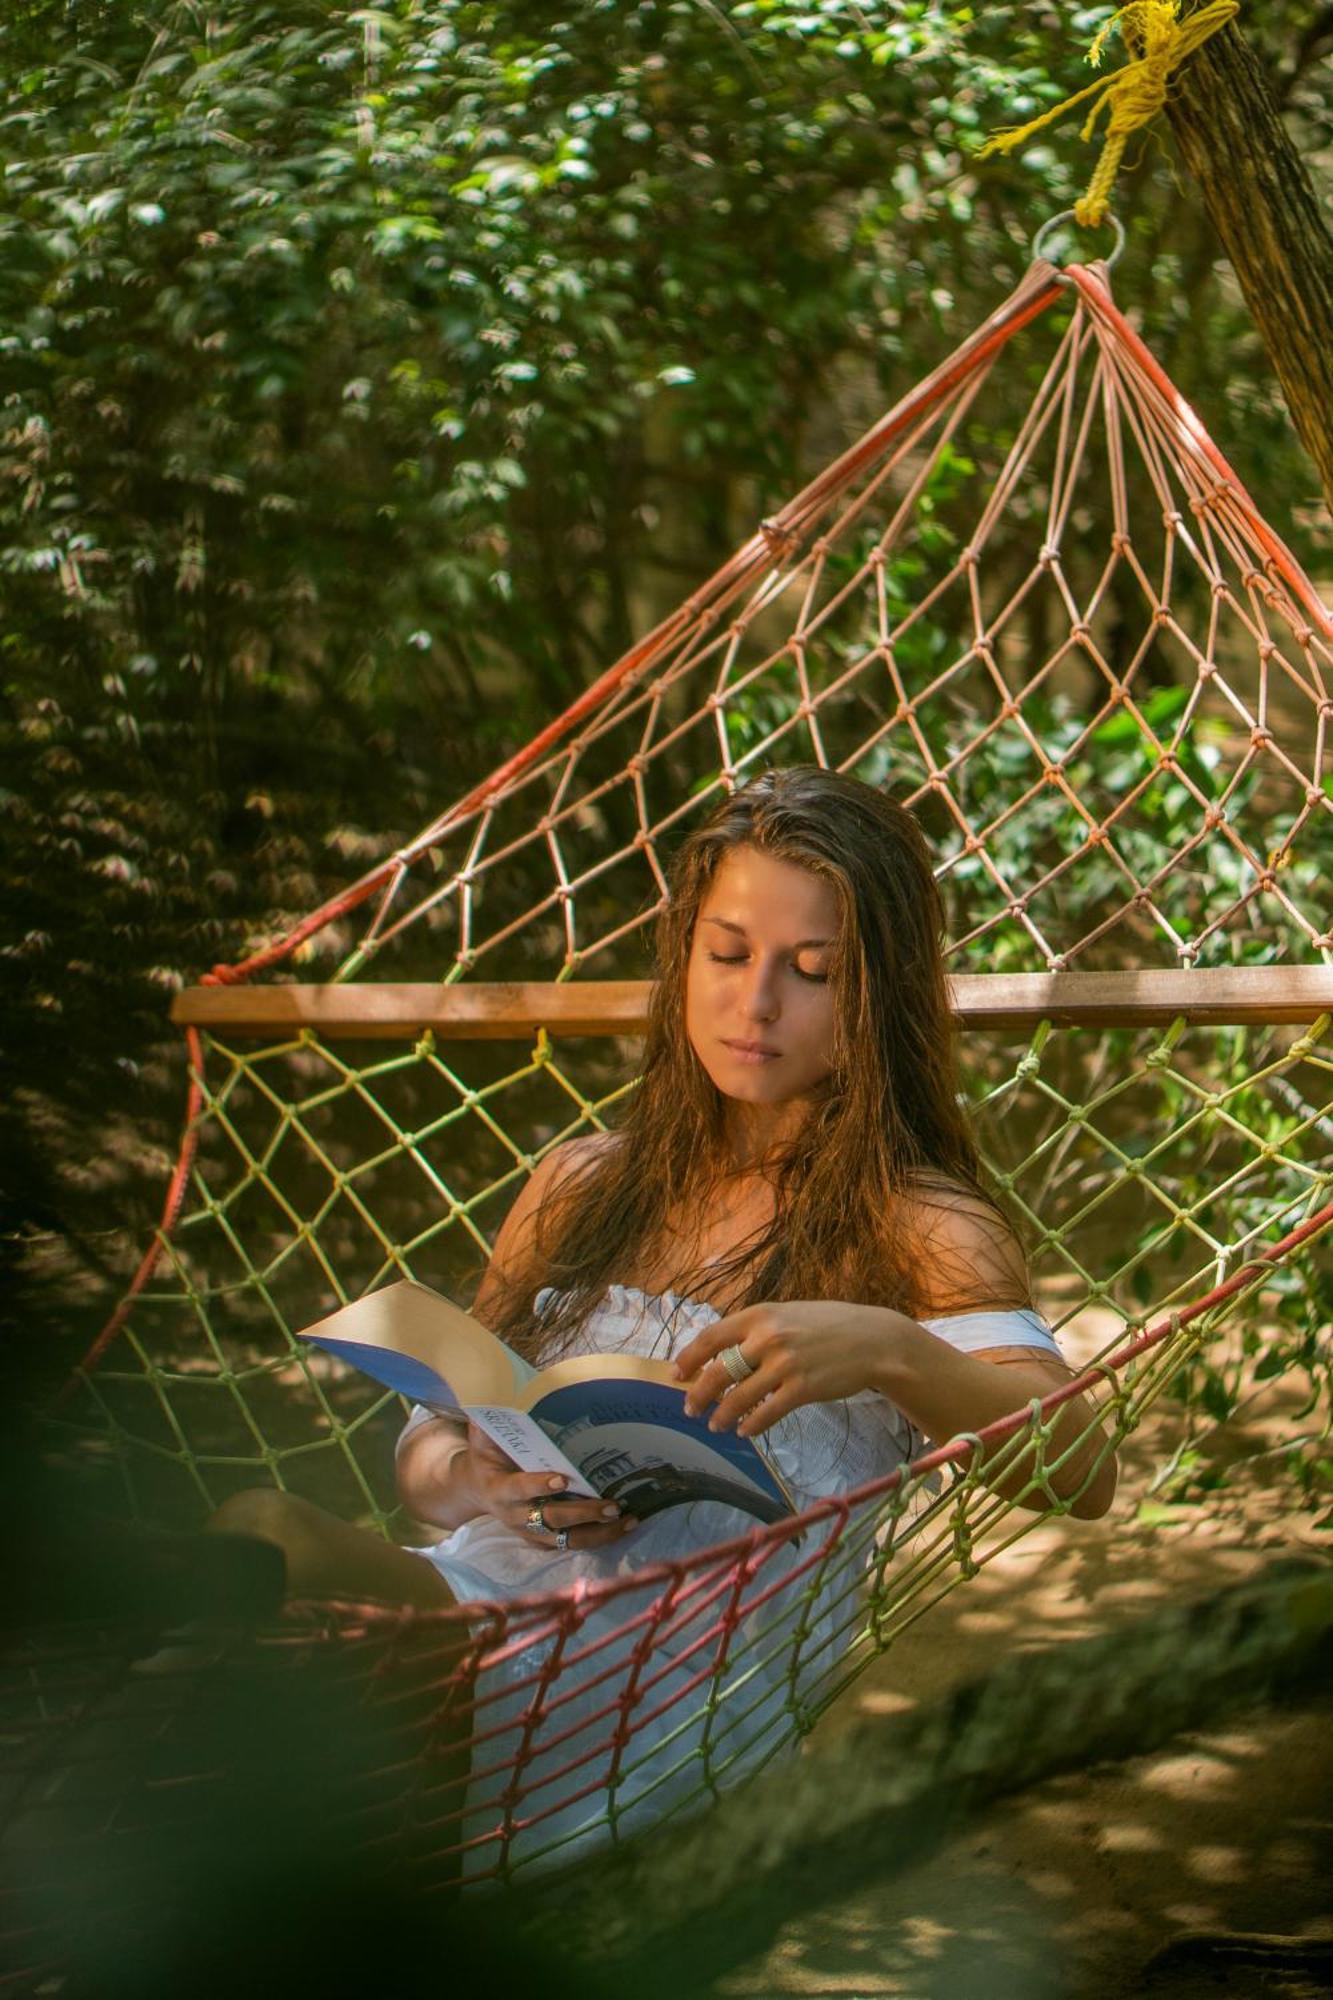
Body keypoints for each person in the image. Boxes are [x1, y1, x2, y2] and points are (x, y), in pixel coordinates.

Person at [211, 766, 1116, 1873]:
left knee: (264, 1580)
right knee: (257, 1572)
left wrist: (887, 1346)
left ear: (881, 992)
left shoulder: (913, 1225)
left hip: (666, 1698)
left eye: (813, 969)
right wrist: (474, 1470)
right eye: (727, 954)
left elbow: (1080, 1465)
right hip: (486, 1606)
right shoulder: (583, 1182)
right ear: (683, 955)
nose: (756, 1003)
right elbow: (436, 1438)